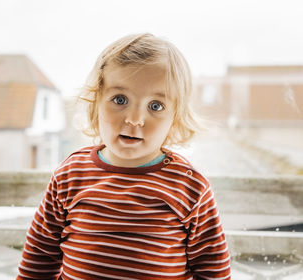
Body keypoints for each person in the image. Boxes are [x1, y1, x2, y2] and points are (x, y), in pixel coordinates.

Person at [17, 33, 231, 280]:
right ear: (96, 103)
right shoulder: (70, 174)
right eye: (120, 100)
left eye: (155, 106)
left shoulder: (190, 186)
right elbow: (39, 256)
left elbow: (213, 271)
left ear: (175, 118)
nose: (134, 119)